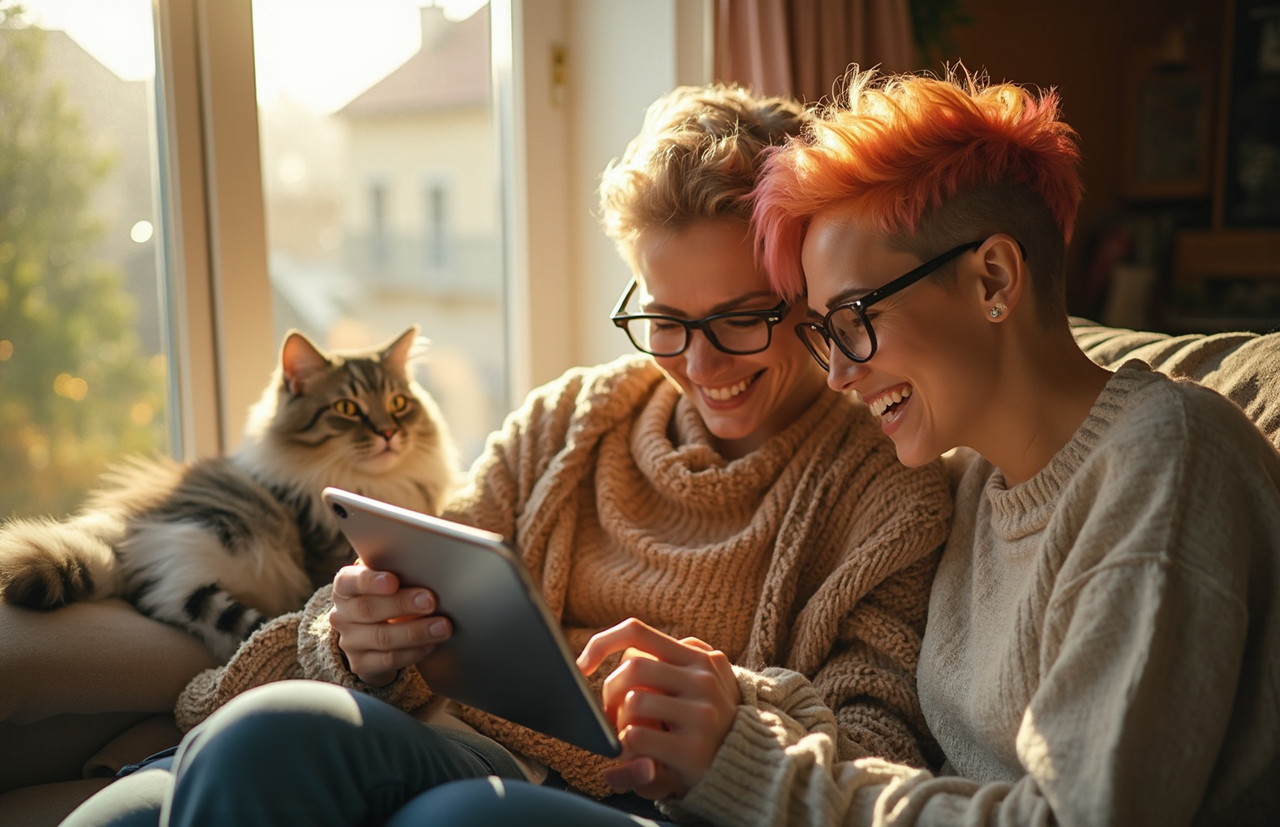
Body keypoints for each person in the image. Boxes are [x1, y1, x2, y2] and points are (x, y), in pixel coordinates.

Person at [387, 67, 1280, 826]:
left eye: (852, 319)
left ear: (995, 278)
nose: (839, 373)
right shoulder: (966, 481)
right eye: (819, 329)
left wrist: (756, 761)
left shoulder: (1165, 457)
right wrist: (739, 709)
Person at [62, 82, 952, 827]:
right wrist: (354, 640)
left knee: (314, 762)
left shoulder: (887, 483)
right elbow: (414, 591)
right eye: (667, 322)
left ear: (808, 290)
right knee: (133, 806)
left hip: (632, 804)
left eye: (743, 317)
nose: (700, 363)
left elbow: (882, 751)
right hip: (459, 744)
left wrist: (726, 720)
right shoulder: (569, 419)